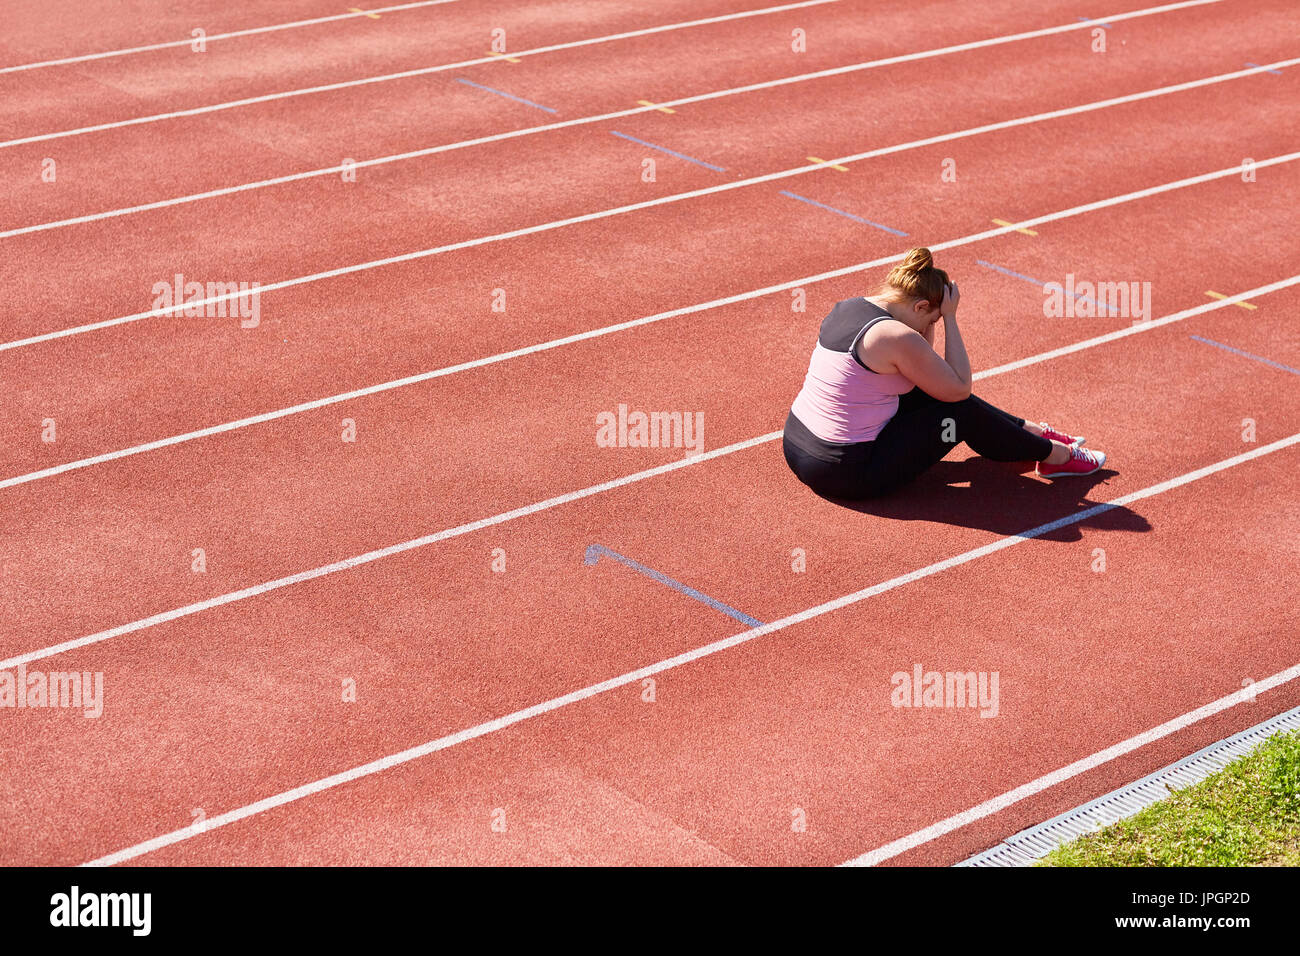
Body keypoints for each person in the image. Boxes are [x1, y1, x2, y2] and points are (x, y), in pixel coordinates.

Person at [783, 247, 1106, 500]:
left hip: (797, 447)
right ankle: (1055, 455)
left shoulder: (849, 307)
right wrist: (951, 318)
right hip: (846, 473)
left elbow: (929, 371)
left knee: (929, 390)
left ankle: (1031, 432)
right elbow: (959, 388)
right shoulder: (894, 336)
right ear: (921, 306)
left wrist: (935, 320)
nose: (930, 327)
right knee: (958, 410)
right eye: (932, 320)